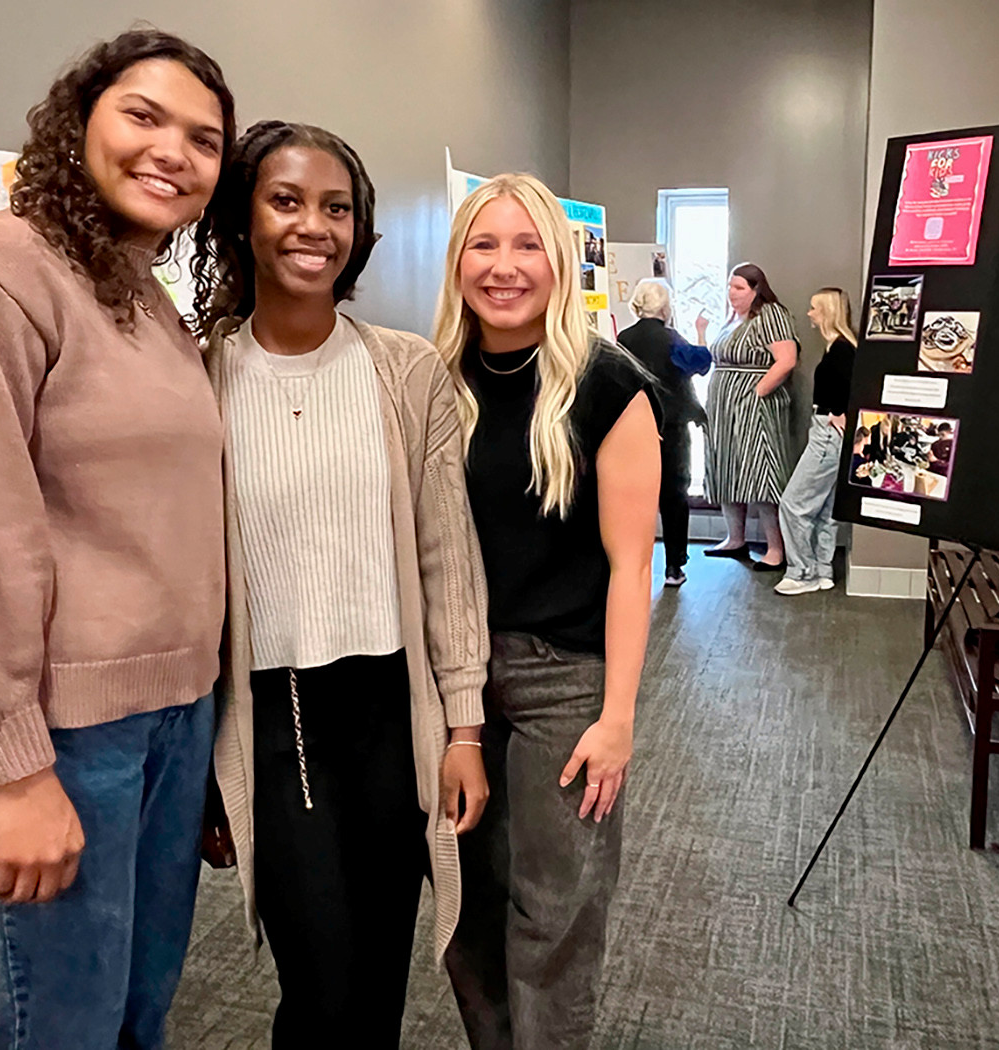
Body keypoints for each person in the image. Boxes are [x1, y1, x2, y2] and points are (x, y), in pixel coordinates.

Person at [0, 31, 235, 1049]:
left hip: (167, 719)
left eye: (205, 140)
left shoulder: (144, 301)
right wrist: (17, 769)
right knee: (61, 1030)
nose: (175, 151)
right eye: (144, 116)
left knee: (133, 1021)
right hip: (58, 735)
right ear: (77, 123)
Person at [191, 121, 491, 1047]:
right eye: (286, 201)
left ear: (360, 230)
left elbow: (448, 558)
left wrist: (465, 725)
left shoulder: (407, 372)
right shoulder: (195, 373)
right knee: (320, 982)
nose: (313, 225)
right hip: (275, 711)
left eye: (336, 207)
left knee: (378, 980)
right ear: (243, 217)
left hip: (392, 707)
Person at [432, 173, 661, 1050]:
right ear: (458, 263)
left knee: (554, 918)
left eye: (527, 245)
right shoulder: (433, 380)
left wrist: (619, 718)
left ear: (560, 263)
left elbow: (631, 565)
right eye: (484, 245)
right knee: (467, 909)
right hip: (451, 678)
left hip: (565, 682)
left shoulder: (607, 385)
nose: (505, 266)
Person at [698, 263, 799, 570]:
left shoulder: (771, 315)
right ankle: (735, 538)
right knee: (728, 468)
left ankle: (775, 549)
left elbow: (787, 360)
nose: (732, 293)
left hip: (754, 407)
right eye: (730, 286)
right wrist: (701, 331)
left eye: (739, 288)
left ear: (757, 290)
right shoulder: (732, 320)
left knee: (762, 472)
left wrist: (756, 393)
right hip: (725, 408)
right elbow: (711, 359)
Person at [618, 278, 707, 587]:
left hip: (635, 426)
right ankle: (674, 567)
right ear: (665, 307)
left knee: (634, 496)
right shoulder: (671, 339)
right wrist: (700, 333)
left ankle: (634, 565)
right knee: (674, 496)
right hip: (672, 426)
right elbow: (701, 364)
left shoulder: (623, 338)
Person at [775, 287, 856, 595]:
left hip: (826, 433)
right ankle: (822, 570)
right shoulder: (841, 346)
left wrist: (837, 412)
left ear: (826, 312)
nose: (808, 313)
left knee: (793, 504)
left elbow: (848, 389)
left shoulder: (841, 350)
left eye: (813, 308)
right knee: (825, 507)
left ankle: (802, 572)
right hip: (828, 432)